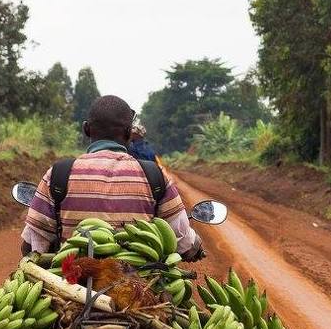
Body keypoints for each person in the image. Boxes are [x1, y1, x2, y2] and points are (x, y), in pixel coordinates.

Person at [21, 95, 204, 260]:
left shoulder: (58, 174)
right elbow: (183, 242)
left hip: (70, 289)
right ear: (128, 133)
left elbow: (33, 245)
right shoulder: (154, 176)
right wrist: (195, 247)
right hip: (140, 292)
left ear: (86, 129)